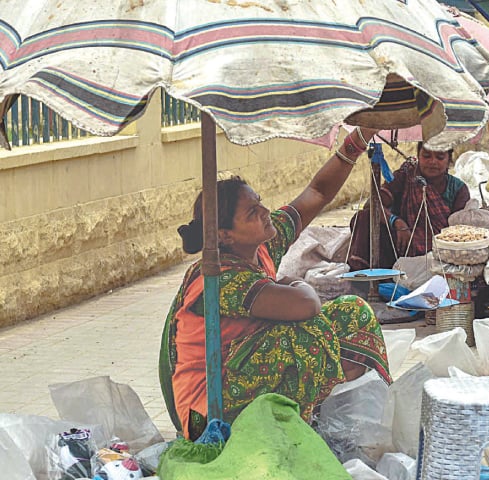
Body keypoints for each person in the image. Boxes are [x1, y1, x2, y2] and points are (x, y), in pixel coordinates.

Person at [159, 127, 392, 440]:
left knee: (353, 312)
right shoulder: (219, 277)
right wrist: (297, 283)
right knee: (302, 334)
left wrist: (357, 141)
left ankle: (324, 413)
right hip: (207, 410)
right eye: (253, 212)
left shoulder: (261, 248)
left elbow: (317, 194)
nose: (265, 212)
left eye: (260, 203)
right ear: (225, 235)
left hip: (241, 377)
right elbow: (306, 305)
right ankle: (302, 425)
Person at [347, 142, 470, 271]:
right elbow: (373, 204)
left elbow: (459, 232)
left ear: (449, 161)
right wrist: (396, 222)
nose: (433, 162)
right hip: (402, 243)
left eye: (440, 158)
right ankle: (361, 276)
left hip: (438, 251)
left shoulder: (458, 189)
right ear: (418, 156)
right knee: (364, 217)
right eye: (427, 156)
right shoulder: (405, 176)